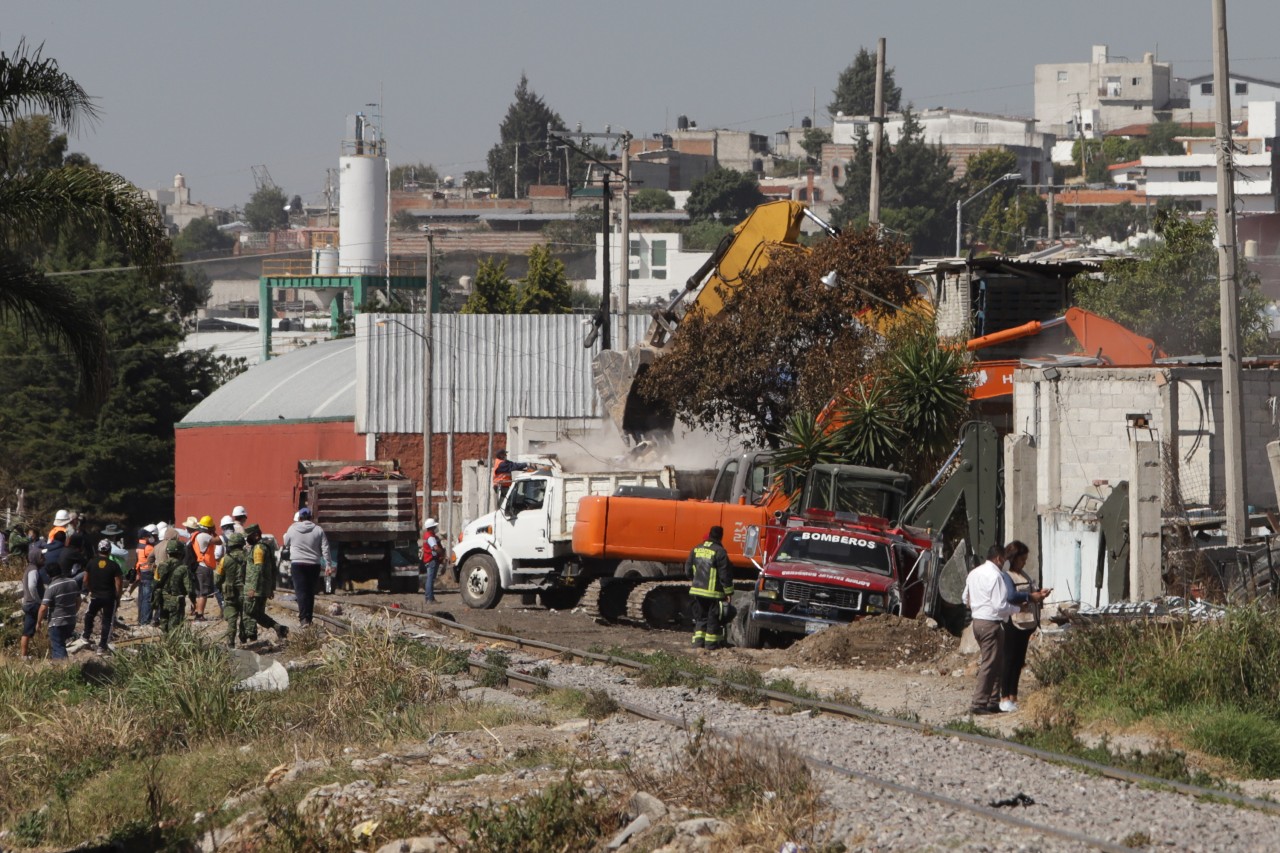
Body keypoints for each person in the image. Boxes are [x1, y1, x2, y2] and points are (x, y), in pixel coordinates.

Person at [1000, 541, 1050, 714]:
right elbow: (1011, 595)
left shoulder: (1023, 575)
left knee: (1019, 661)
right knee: (1009, 660)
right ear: (1014, 559)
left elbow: (1028, 592)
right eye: (1022, 559)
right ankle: (1004, 696)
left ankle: (1013, 696)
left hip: (1027, 623)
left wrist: (1040, 594)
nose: (1024, 562)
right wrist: (1030, 596)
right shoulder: (1007, 576)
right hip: (1014, 623)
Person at [282, 507, 333, 627]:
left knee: (301, 592)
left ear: (299, 518)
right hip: (313, 565)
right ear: (311, 517)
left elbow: (286, 542)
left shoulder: (292, 528)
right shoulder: (318, 530)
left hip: (298, 564)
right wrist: (328, 564)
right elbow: (325, 548)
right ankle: (308, 619)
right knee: (310, 592)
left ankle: (303, 619)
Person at [685, 525, 733, 651]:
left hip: (697, 591)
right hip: (713, 594)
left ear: (709, 534)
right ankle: (710, 646)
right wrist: (728, 592)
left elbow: (687, 570)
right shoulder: (720, 552)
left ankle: (698, 644)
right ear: (721, 536)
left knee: (700, 618)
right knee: (712, 619)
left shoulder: (696, 549)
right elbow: (725, 574)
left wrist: (695, 581)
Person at [244, 524, 288, 643]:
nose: (247, 539)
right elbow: (273, 569)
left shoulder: (258, 548)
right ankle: (279, 629)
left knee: (250, 611)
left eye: (249, 536)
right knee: (257, 613)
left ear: (256, 535)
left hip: (257, 588)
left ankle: (279, 628)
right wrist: (271, 587)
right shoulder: (266, 547)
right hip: (263, 587)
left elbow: (258, 568)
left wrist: (253, 588)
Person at [82, 539, 124, 655]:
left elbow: (85, 580)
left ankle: (86, 635)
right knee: (107, 621)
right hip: (109, 597)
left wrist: (91, 589)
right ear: (110, 550)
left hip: (95, 596)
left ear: (98, 550)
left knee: (89, 614)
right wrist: (118, 596)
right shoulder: (114, 565)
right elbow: (119, 583)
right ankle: (102, 646)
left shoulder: (91, 563)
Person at [37, 561, 81, 660]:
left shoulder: (51, 587)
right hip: (71, 621)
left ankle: (63, 670)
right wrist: (74, 611)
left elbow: (43, 608)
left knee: (58, 647)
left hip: (57, 622)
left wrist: (38, 622)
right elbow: (78, 599)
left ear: (48, 575)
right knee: (61, 644)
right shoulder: (73, 582)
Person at [219, 532, 250, 648]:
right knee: (245, 615)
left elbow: (217, 578)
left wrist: (220, 588)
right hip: (245, 591)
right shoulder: (248, 557)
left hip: (230, 593)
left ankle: (230, 642)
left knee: (232, 618)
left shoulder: (225, 559)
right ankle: (244, 639)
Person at [154, 539, 192, 632]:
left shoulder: (161, 566)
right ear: (180, 553)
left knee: (164, 624)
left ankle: (165, 643)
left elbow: (155, 583)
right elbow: (189, 588)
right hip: (176, 601)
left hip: (163, 599)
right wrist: (193, 601)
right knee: (175, 627)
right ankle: (172, 644)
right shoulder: (184, 568)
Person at [190, 515, 220, 621]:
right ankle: (200, 615)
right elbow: (219, 541)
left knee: (199, 592)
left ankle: (197, 612)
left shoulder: (196, 535)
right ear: (209, 527)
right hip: (204, 566)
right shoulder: (205, 536)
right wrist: (214, 531)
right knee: (203, 592)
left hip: (198, 565)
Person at [19, 551, 47, 659]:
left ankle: (25, 654)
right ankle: (24, 656)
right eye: (41, 556)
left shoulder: (29, 569)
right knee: (27, 630)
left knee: (29, 628)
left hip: (29, 603)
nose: (44, 558)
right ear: (35, 557)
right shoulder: (33, 570)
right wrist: (38, 600)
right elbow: (31, 586)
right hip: (33, 604)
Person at [134, 526, 158, 626]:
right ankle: (146, 620)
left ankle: (141, 619)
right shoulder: (148, 548)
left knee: (143, 597)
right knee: (148, 598)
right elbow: (156, 556)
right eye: (148, 536)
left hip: (142, 572)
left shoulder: (139, 546)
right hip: (148, 573)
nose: (150, 538)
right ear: (144, 537)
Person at [421, 518, 443, 604]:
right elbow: (435, 548)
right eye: (434, 526)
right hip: (431, 560)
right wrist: (442, 554)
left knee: (430, 579)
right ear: (432, 527)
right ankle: (430, 599)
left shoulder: (428, 535)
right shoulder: (430, 537)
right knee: (430, 579)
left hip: (428, 559)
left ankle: (429, 598)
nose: (436, 527)